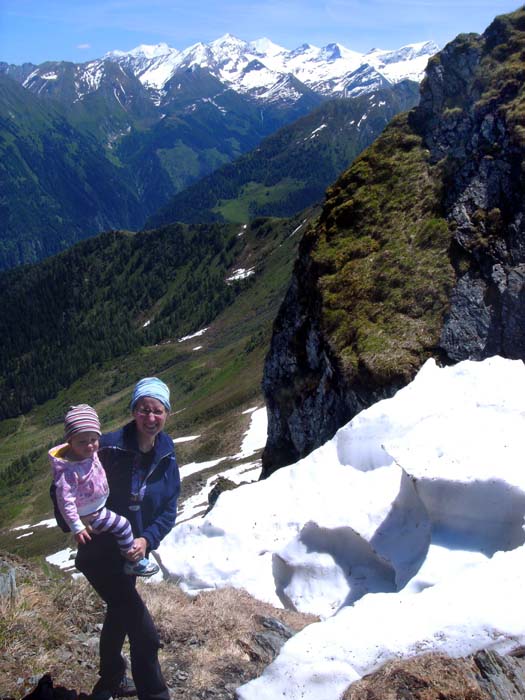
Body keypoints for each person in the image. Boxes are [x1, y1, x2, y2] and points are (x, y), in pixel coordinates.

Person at [75, 377, 180, 700]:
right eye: (144, 409)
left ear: (166, 414)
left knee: (119, 615)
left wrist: (147, 540)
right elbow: (64, 484)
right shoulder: (105, 447)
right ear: (134, 411)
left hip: (130, 558)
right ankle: (155, 694)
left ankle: (110, 681)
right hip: (100, 555)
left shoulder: (166, 454)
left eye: (157, 411)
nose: (151, 418)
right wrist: (76, 521)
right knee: (144, 633)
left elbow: (167, 509)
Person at [49, 404, 159, 577]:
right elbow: (65, 500)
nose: (90, 446)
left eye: (93, 439)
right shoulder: (69, 470)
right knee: (123, 525)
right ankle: (133, 561)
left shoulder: (86, 454)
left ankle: (124, 557)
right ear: (70, 442)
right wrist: (77, 526)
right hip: (91, 514)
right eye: (82, 442)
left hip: (97, 507)